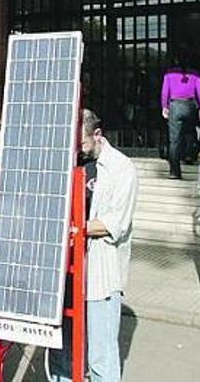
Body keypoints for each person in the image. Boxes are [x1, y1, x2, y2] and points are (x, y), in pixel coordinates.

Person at [49, 110, 137, 382]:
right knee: (61, 349)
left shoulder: (121, 167)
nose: (77, 150)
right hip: (64, 271)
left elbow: (115, 223)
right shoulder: (69, 162)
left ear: (97, 135)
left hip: (100, 272)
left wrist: (74, 228)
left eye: (82, 144)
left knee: (101, 353)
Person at [161, 57, 200, 179]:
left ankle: (174, 172)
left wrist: (164, 106)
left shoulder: (169, 74)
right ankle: (189, 156)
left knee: (174, 141)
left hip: (175, 105)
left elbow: (165, 91)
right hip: (190, 104)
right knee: (190, 132)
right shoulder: (195, 74)